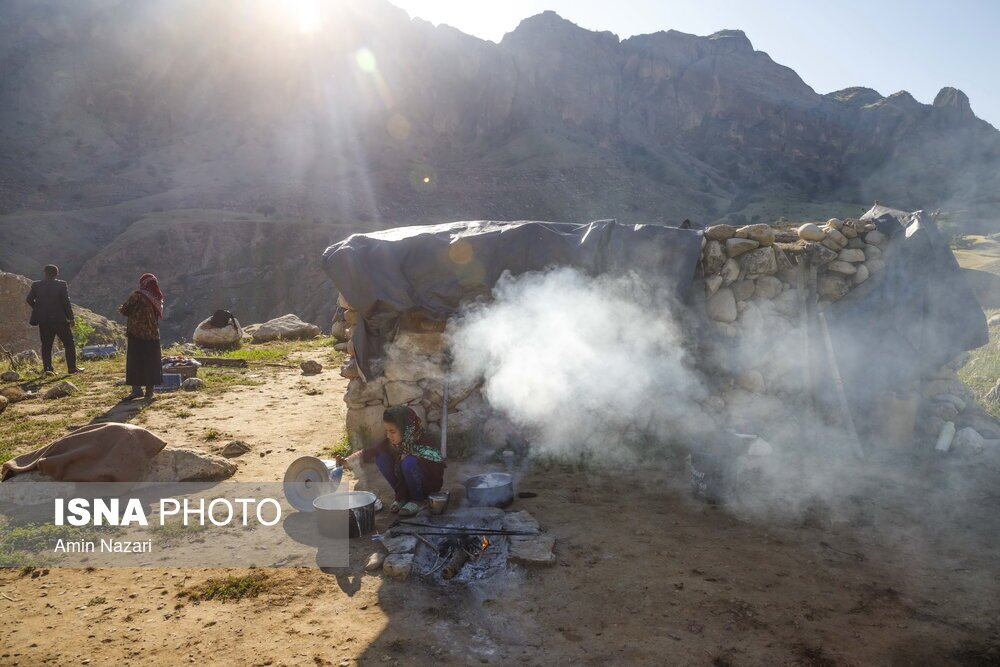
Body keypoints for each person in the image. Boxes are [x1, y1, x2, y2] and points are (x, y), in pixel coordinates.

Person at [342, 405, 445, 517]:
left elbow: (435, 475)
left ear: (406, 428)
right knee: (380, 457)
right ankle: (403, 497)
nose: (389, 436)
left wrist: (411, 457)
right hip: (406, 485)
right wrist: (349, 460)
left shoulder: (425, 440)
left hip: (427, 487)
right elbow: (370, 451)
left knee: (408, 462)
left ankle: (418, 500)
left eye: (392, 431)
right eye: (387, 431)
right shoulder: (393, 443)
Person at [25, 264, 83, 375]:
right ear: (56, 274)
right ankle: (72, 368)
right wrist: (71, 318)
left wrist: (38, 309)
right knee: (69, 343)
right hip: (59, 319)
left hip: (44, 320)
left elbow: (29, 299)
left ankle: (47, 369)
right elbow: (66, 303)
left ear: (44, 273)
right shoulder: (61, 285)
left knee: (46, 345)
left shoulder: (36, 285)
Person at [118, 273, 164, 401]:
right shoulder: (157, 297)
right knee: (151, 362)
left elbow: (125, 310)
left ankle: (136, 390)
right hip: (153, 334)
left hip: (137, 333)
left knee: (135, 361)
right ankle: (149, 392)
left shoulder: (138, 295)